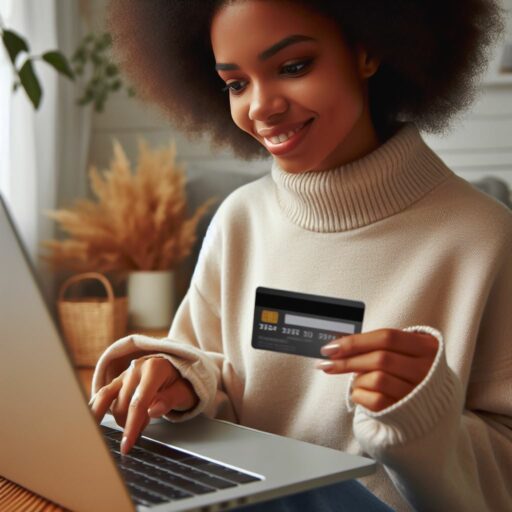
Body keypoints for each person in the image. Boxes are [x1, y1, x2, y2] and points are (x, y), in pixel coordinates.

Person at [89, 1, 512, 510]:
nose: (261, 106)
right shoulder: (238, 220)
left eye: (292, 67)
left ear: (369, 51)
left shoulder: (486, 239)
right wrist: (180, 380)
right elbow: (215, 382)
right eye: (236, 83)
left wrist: (422, 421)